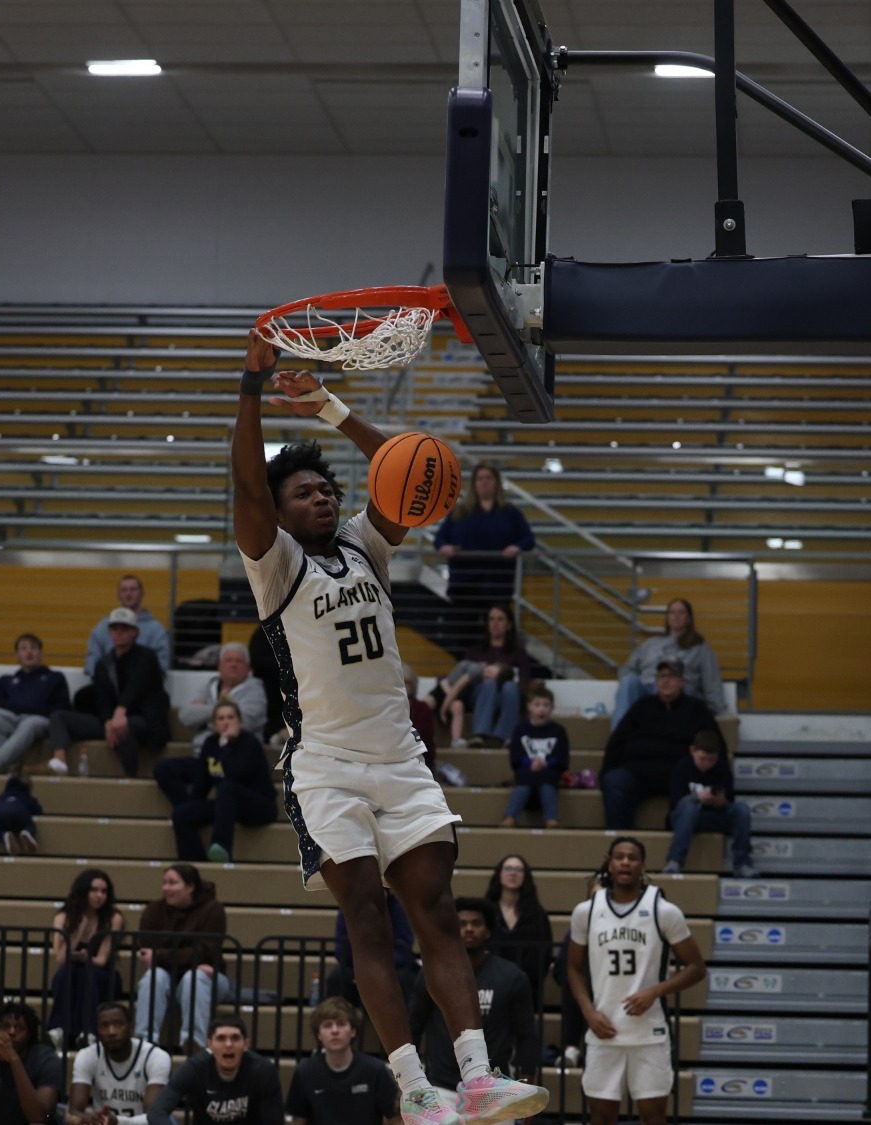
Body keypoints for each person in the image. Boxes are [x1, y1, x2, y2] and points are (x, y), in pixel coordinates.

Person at [231, 333, 546, 1125]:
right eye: (304, 493)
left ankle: (475, 1078)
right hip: (328, 764)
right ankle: (412, 1087)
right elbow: (246, 487)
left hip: (401, 757)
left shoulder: (365, 545)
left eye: (327, 490)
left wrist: (332, 409)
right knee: (366, 915)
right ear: (280, 509)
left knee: (436, 909)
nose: (323, 499)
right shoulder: (274, 563)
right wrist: (253, 388)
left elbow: (419, 479)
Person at [567, 838, 708, 1125]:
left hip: (649, 1033)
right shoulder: (586, 911)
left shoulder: (663, 910)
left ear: (642, 866)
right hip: (604, 1028)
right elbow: (572, 968)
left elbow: (696, 967)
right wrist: (588, 1011)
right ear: (610, 864)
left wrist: (655, 991)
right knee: (601, 1117)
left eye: (632, 858)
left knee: (654, 1116)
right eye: (619, 857)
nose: (625, 862)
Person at [410, 901, 539, 1090]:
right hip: (441, 1086)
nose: (469, 929)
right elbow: (414, 1025)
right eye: (461, 924)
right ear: (451, 929)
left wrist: (529, 1079)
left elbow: (526, 1033)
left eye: (476, 923)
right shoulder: (432, 974)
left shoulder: (511, 976)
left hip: (495, 1086)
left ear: (488, 931)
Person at [600, 661, 723, 830]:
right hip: (638, 772)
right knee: (614, 781)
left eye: (671, 676)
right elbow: (617, 741)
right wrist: (605, 773)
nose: (666, 681)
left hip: (680, 775)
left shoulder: (697, 710)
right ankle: (621, 842)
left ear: (682, 682)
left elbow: (715, 744)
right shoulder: (641, 706)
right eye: (661, 676)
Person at [49, 607, 171, 779]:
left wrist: (120, 712)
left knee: (123, 725)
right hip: (113, 720)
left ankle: (130, 778)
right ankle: (59, 760)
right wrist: (107, 721)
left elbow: (136, 687)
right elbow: (102, 697)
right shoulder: (104, 663)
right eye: (115, 628)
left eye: (124, 628)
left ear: (135, 632)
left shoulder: (147, 657)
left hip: (147, 722)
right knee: (59, 717)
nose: (119, 633)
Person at [156, 702, 278, 862]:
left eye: (230, 717)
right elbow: (201, 784)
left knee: (226, 788)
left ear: (239, 722)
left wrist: (225, 746)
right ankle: (195, 864)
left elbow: (234, 774)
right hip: (227, 804)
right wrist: (192, 809)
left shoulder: (249, 743)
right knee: (181, 814)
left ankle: (221, 846)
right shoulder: (210, 744)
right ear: (214, 724)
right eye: (221, 718)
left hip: (259, 806)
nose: (226, 722)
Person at [431, 463, 536, 648]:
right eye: (480, 478)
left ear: (496, 482)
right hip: (464, 586)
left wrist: (516, 547)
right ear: (474, 484)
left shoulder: (510, 514)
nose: (484, 482)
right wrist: (445, 547)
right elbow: (439, 538)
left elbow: (528, 539)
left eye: (489, 478)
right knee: (465, 636)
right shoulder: (460, 512)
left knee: (497, 637)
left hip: (497, 585)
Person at [134, 865, 230, 1052]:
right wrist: (187, 956)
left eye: (172, 883)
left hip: (209, 979)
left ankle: (194, 1041)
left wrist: (161, 955)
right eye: (164, 883)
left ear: (190, 887)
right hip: (168, 978)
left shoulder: (213, 910)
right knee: (153, 977)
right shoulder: (154, 910)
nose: (166, 888)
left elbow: (207, 952)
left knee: (194, 978)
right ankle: (144, 1042)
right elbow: (146, 954)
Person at [147, 1018, 284, 1125]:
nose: (228, 1044)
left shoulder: (263, 1070)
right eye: (221, 1038)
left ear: (246, 1045)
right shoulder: (195, 1068)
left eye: (235, 1038)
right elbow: (156, 1112)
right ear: (210, 1045)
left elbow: (274, 1122)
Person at [609, 599, 722, 726]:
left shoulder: (700, 647)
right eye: (672, 612)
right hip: (647, 690)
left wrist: (715, 708)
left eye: (681, 612)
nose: (676, 616)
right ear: (667, 617)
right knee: (628, 681)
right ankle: (619, 738)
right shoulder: (650, 643)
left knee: (668, 684)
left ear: (689, 618)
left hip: (678, 693)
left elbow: (712, 681)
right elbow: (627, 669)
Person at [287, 998, 400, 1125]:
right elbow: (297, 1120)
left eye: (341, 1024)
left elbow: (396, 1119)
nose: (334, 1031)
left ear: (353, 1031)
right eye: (327, 1025)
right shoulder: (305, 1072)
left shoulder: (375, 1070)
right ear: (319, 1034)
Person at [663, 729, 757, 878]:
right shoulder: (682, 767)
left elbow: (730, 800)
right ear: (692, 751)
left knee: (742, 810)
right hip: (685, 817)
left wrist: (721, 802)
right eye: (702, 758)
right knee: (689, 808)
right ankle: (675, 860)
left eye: (711, 759)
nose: (706, 764)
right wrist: (697, 797)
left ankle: (742, 863)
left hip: (713, 815)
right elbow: (676, 802)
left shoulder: (722, 768)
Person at [436, 606, 534, 749]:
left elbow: (525, 681)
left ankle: (503, 737)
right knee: (489, 684)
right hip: (479, 696)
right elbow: (461, 680)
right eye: (491, 619)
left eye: (500, 619)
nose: (495, 623)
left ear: (509, 625)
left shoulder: (518, 653)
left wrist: (503, 675)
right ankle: (480, 734)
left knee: (510, 686)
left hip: (508, 696)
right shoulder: (475, 651)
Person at [48, 869, 124, 1051]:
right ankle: (58, 1030)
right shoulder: (62, 917)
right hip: (72, 973)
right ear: (83, 892)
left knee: (85, 971)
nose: (100, 896)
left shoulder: (113, 918)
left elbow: (102, 959)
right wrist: (79, 927)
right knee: (65, 973)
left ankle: (88, 1032)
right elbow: (60, 957)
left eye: (104, 891)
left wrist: (84, 957)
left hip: (103, 976)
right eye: (94, 890)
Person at [66, 1000, 173, 1125]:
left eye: (118, 1024)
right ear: (97, 1030)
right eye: (104, 1025)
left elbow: (154, 1117)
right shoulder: (88, 1056)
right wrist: (88, 1119)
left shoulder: (155, 1057)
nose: (111, 1032)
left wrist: (119, 1122)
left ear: (130, 1027)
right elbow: (73, 1112)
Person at [0, 634, 72, 775]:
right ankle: (13, 767)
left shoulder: (55, 678)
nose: (29, 652)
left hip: (40, 720)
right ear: (16, 655)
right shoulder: (6, 680)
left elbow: (62, 707)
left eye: (33, 648)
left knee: (30, 723)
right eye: (23, 648)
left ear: (40, 653)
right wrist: (27, 707)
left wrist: (22, 707)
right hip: (12, 718)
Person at [326, 891, 418, 1015]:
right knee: (337, 977)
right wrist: (362, 970)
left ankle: (406, 1028)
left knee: (404, 979)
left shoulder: (398, 907)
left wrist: (377, 970)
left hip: (392, 966)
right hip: (357, 965)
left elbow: (403, 947)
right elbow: (341, 947)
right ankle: (337, 1022)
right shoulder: (347, 906)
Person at [482, 856, 552, 1011]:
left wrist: (519, 980)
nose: (513, 873)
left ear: (525, 876)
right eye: (508, 869)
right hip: (488, 988)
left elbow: (543, 956)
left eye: (518, 870)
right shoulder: (485, 912)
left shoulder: (537, 915)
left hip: (525, 989)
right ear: (499, 874)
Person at [176, 643, 268, 750]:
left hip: (239, 751)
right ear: (219, 666)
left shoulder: (255, 689)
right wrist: (225, 712)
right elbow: (185, 716)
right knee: (166, 766)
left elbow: (247, 722)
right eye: (228, 660)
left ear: (248, 668)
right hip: (202, 749)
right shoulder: (208, 686)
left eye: (238, 661)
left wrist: (206, 720)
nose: (233, 665)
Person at [86, 575, 173, 687]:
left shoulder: (156, 630)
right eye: (124, 590)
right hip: (109, 689)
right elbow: (93, 660)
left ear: (142, 594)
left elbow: (161, 666)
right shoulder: (102, 627)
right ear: (118, 595)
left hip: (143, 692)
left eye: (133, 589)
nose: (128, 594)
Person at [500, 687, 567, 828]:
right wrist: (530, 763)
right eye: (537, 705)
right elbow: (515, 756)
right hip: (526, 770)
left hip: (550, 771)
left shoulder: (558, 731)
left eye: (545, 705)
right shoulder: (520, 729)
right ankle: (511, 816)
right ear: (529, 707)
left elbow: (562, 758)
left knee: (546, 778)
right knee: (526, 777)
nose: (541, 709)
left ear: (552, 707)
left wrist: (545, 763)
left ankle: (551, 818)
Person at [0, 768, 43, 855]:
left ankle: (5, 836)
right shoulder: (26, 796)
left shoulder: (3, 795)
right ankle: (26, 832)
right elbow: (38, 810)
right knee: (28, 825)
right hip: (19, 809)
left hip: (0, 810)